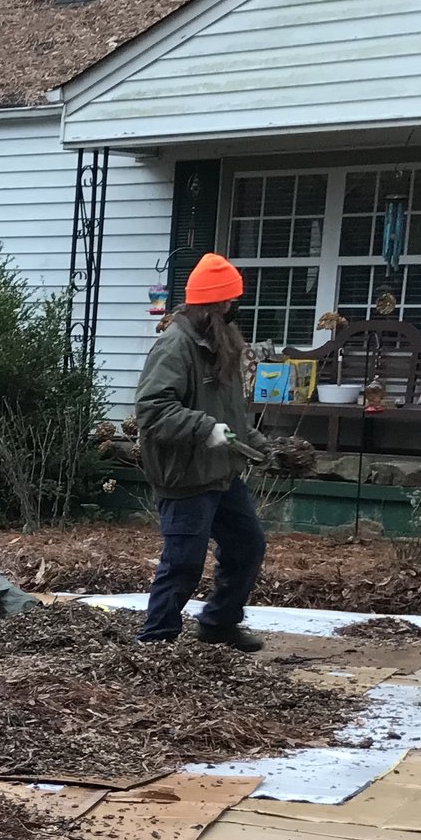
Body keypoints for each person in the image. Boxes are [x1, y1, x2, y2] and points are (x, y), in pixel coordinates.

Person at [134, 252, 267, 652]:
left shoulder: (217, 345)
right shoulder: (175, 347)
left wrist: (259, 445)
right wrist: (203, 428)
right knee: (183, 564)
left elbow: (229, 414)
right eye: (226, 304)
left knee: (247, 546)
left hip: (220, 471)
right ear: (209, 306)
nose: (232, 311)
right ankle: (157, 641)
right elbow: (152, 411)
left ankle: (218, 623)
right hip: (185, 475)